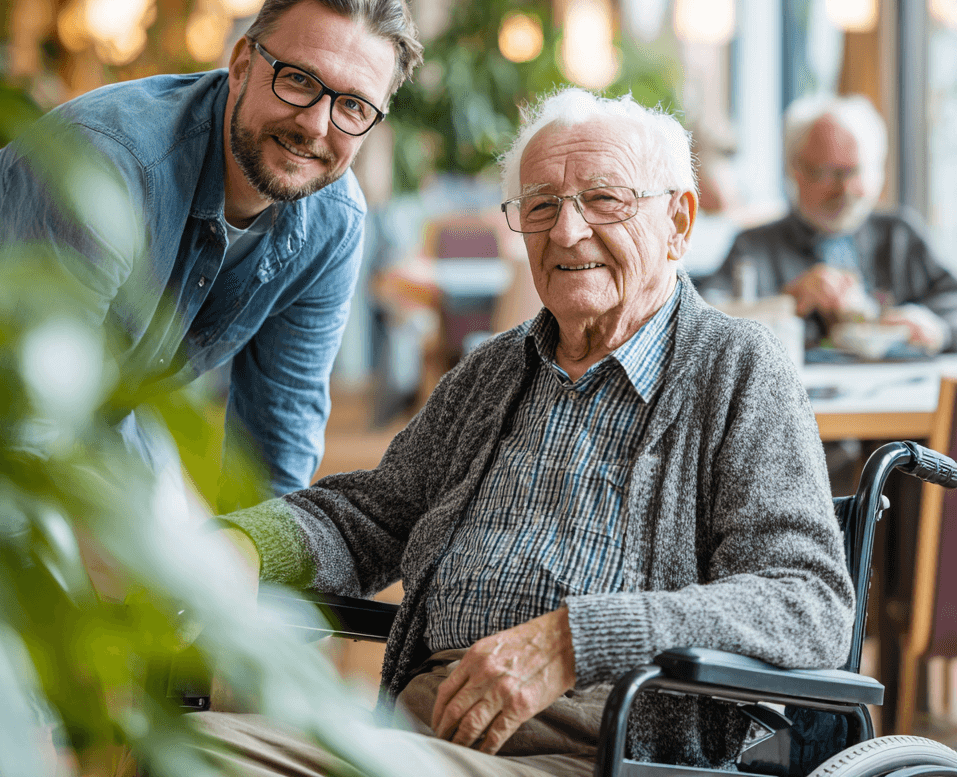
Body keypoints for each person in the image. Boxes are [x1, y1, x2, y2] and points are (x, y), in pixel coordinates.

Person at [196, 89, 854, 774]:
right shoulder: (492, 372)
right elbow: (370, 513)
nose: (566, 233)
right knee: (189, 748)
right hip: (422, 733)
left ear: (678, 224)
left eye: (605, 201)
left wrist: (574, 641)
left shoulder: (737, 369)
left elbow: (807, 601)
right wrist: (242, 546)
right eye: (540, 205)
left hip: (595, 750)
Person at [0, 0, 422, 501]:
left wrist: (259, 571)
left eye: (353, 107)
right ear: (242, 64)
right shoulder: (110, 168)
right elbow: (26, 426)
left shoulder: (334, 221)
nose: (315, 124)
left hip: (103, 406)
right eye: (298, 80)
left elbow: (279, 445)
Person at [702, 93, 957, 353]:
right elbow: (704, 322)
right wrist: (786, 303)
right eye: (828, 173)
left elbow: (952, 299)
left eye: (855, 171)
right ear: (794, 170)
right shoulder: (754, 246)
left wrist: (937, 327)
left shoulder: (900, 235)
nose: (844, 188)